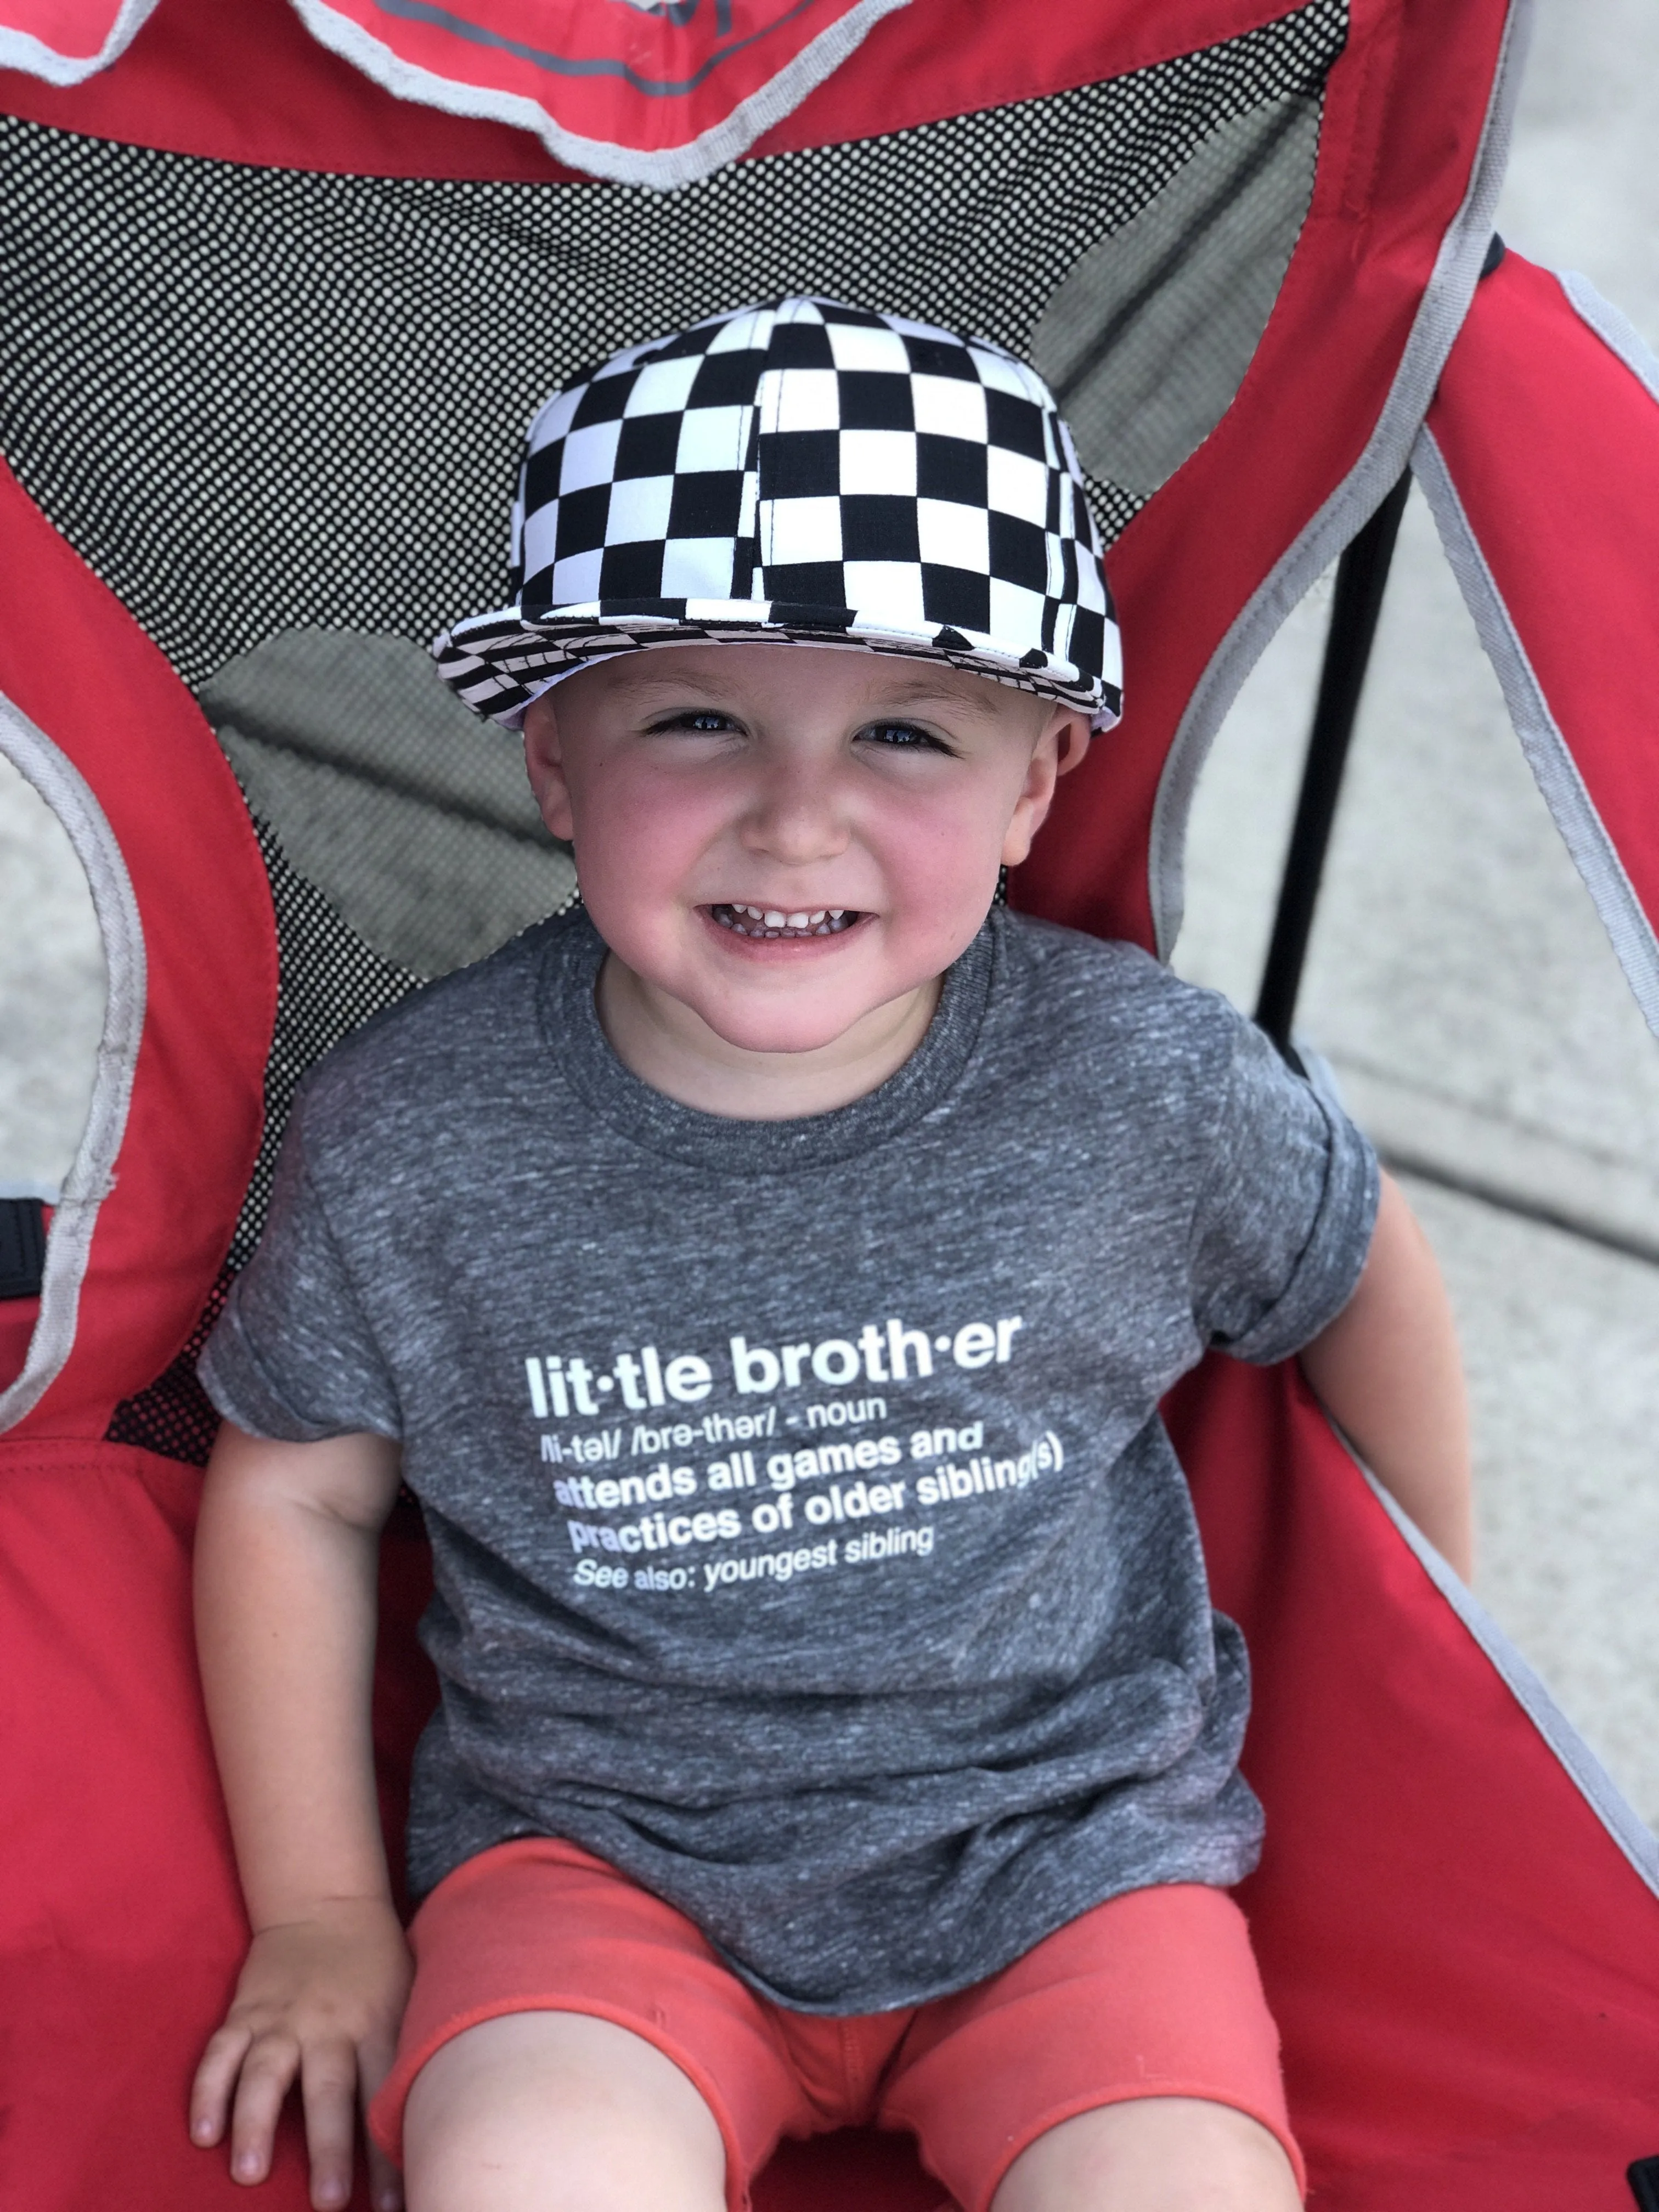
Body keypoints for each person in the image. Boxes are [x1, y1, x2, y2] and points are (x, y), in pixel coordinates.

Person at [187, 299, 1472, 2212]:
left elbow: (1361, 1269)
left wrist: (1430, 1635)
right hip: (599, 1871)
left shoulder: (1139, 1085)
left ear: (1037, 781)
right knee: (523, 2178)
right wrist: (319, 1913)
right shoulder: (418, 1131)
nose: (800, 818)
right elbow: (293, 1496)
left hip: (1073, 1856)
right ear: (556, 760)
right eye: (699, 718)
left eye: (906, 730)